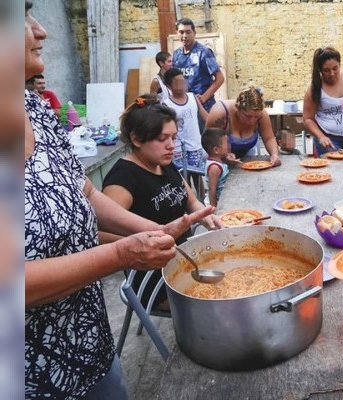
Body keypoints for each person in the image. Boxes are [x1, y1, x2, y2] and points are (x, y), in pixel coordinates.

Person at [24, 3, 214, 398]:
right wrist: (124, 254)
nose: (40, 30)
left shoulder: (34, 108)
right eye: (20, 16)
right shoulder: (127, 176)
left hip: (89, 342)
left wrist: (157, 231)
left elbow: (85, 191)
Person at [101, 94, 223, 309]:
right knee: (222, 300)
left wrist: (207, 217)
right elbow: (98, 234)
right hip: (153, 277)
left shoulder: (163, 163)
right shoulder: (123, 178)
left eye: (174, 138)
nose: (171, 146)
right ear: (137, 139)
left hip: (185, 261)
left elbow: (191, 201)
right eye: (162, 139)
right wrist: (144, 241)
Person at [302, 46, 343, 156]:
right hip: (329, 140)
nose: (332, 73)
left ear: (340, 65)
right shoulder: (315, 87)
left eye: (335, 68)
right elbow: (308, 118)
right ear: (320, 70)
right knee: (331, 170)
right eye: (326, 70)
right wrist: (321, 137)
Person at [205, 83, 281, 166]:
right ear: (237, 108)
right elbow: (207, 141)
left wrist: (274, 155)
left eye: (256, 117)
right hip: (218, 162)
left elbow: (269, 138)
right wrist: (224, 155)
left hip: (246, 159)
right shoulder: (220, 113)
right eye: (248, 116)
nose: (252, 120)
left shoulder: (262, 115)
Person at [162, 67, 209, 198]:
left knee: (198, 175)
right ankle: (188, 203)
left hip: (195, 145)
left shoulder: (193, 97)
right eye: (177, 82)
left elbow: (206, 117)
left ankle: (202, 200)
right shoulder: (166, 105)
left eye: (183, 81)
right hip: (177, 148)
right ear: (169, 86)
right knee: (183, 179)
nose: (181, 85)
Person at [173, 17, 225, 129]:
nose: (185, 36)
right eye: (181, 32)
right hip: (185, 105)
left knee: (206, 140)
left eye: (188, 32)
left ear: (194, 33)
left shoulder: (204, 52)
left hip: (205, 106)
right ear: (177, 33)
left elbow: (220, 78)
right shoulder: (176, 54)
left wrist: (204, 97)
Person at [202, 127, 231, 207]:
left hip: (221, 199)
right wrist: (214, 208)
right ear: (216, 150)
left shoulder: (220, 161)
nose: (228, 146)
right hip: (215, 203)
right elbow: (212, 189)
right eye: (226, 144)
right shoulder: (214, 167)